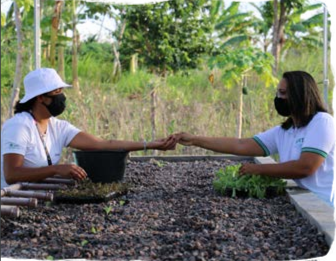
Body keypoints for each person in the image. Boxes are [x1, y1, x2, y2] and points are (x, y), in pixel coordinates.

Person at [176, 71, 335, 206]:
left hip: (325, 207)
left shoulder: (321, 122)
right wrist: (194, 140)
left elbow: (305, 167)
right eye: (278, 92)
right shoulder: (285, 130)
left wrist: (259, 169)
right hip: (304, 202)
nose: (279, 98)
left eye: (284, 93)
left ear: (301, 95)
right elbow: (241, 144)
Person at [1, 68, 177, 187]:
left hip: (36, 195)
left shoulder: (57, 127)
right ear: (40, 98)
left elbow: (103, 144)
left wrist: (151, 145)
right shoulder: (19, 127)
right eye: (57, 93)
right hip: (12, 199)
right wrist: (56, 169)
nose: (62, 98)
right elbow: (12, 175)